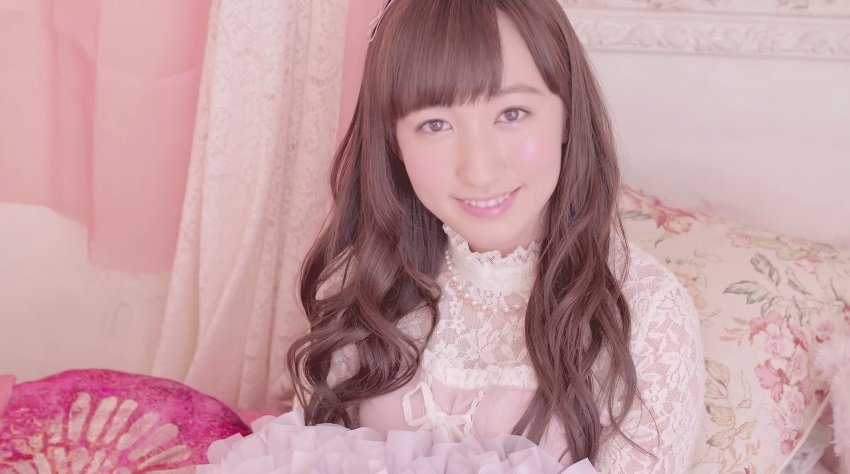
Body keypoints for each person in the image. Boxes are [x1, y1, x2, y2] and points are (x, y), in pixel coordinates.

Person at [198, 0, 705, 472]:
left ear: (569, 113)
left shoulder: (647, 313)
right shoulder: (366, 282)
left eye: (511, 114)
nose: (479, 170)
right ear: (393, 141)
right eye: (436, 124)